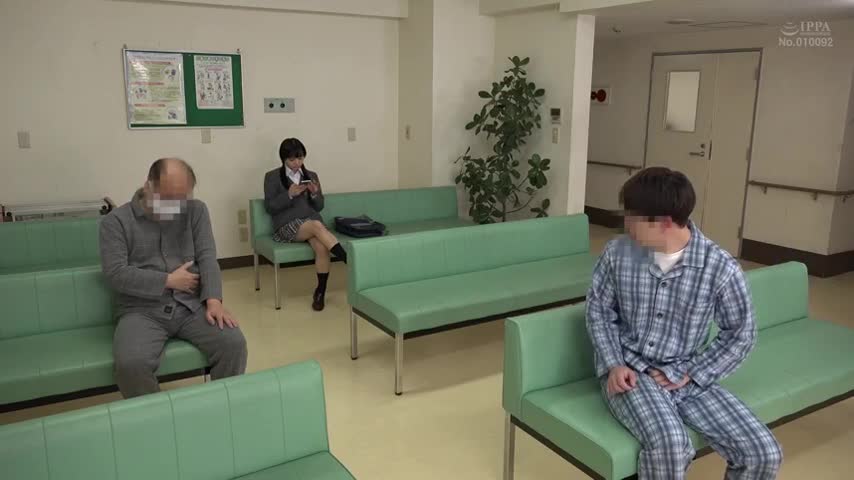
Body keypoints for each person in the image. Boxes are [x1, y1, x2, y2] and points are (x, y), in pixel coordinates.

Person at [586, 167, 782, 479]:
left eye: (633, 217)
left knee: (762, 452)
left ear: (664, 222)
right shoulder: (617, 254)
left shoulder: (720, 268)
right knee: (671, 447)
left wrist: (693, 373)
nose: (626, 225)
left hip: (687, 374)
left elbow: (740, 334)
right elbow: (599, 311)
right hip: (632, 373)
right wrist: (613, 364)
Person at [100, 158, 248, 398]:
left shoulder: (196, 211)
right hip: (140, 310)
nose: (176, 207)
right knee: (131, 364)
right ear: (148, 186)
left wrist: (213, 300)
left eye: (181, 199)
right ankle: (156, 415)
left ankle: (221, 405)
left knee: (233, 343)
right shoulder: (116, 222)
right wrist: (167, 280)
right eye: (168, 198)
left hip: (190, 305)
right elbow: (116, 273)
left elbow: (207, 256)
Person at [263, 138, 347, 311]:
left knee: (322, 247)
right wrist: (289, 194)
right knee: (316, 226)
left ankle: (320, 292)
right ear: (284, 159)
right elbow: (270, 207)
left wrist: (315, 194)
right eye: (292, 159)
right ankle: (349, 260)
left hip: (312, 224)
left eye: (300, 158)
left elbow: (320, 206)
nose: (297, 163)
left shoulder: (312, 176)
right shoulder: (272, 177)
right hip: (287, 226)